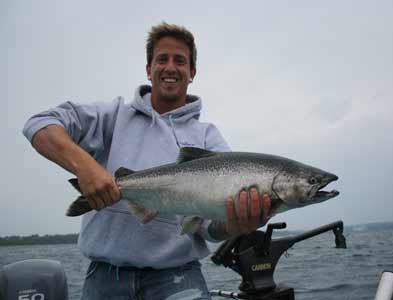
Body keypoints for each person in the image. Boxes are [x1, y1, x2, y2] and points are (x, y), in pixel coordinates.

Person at [23, 22, 271, 300]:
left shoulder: (208, 137)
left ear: (192, 73)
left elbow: (209, 229)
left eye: (180, 61)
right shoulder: (112, 116)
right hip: (104, 278)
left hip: (179, 277)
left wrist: (234, 225)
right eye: (161, 59)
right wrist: (87, 169)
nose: (170, 67)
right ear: (148, 68)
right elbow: (41, 124)